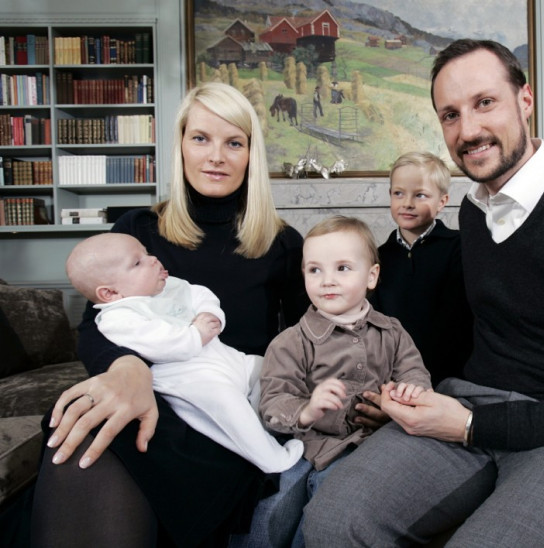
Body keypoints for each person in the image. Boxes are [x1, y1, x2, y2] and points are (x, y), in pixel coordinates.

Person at [303, 39, 544, 546]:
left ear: (526, 99)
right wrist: (409, 392)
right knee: (330, 520)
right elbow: (467, 335)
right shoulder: (473, 213)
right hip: (469, 404)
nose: (468, 130)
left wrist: (473, 425)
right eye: (450, 115)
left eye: (484, 102)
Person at [28, 82, 384, 547]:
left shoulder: (282, 244)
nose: (216, 155)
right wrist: (129, 369)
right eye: (201, 138)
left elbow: (318, 338)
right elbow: (96, 326)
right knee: (75, 429)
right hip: (152, 397)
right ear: (180, 145)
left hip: (229, 411)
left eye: (233, 142)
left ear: (250, 154)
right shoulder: (137, 231)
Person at [64, 232, 304, 474]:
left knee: (269, 368)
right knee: (229, 409)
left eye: (147, 253)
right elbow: (157, 341)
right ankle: (273, 459)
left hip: (228, 360)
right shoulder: (117, 317)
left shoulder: (169, 287)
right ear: (110, 293)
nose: (153, 259)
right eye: (138, 263)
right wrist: (195, 335)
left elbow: (200, 293)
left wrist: (210, 313)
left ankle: (269, 421)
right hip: (192, 379)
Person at [259, 215, 432, 546]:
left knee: (357, 501)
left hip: (377, 447)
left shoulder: (391, 332)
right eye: (314, 270)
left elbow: (413, 370)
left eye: (342, 268)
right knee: (293, 510)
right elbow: (273, 401)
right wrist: (307, 409)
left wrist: (413, 388)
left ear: (371, 276)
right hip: (314, 449)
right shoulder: (291, 342)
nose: (327, 281)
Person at [370, 151, 473, 385]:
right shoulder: (378, 257)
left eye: (420, 195)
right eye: (399, 193)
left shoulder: (460, 248)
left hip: (451, 374)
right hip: (395, 375)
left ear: (442, 202)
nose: (407, 203)